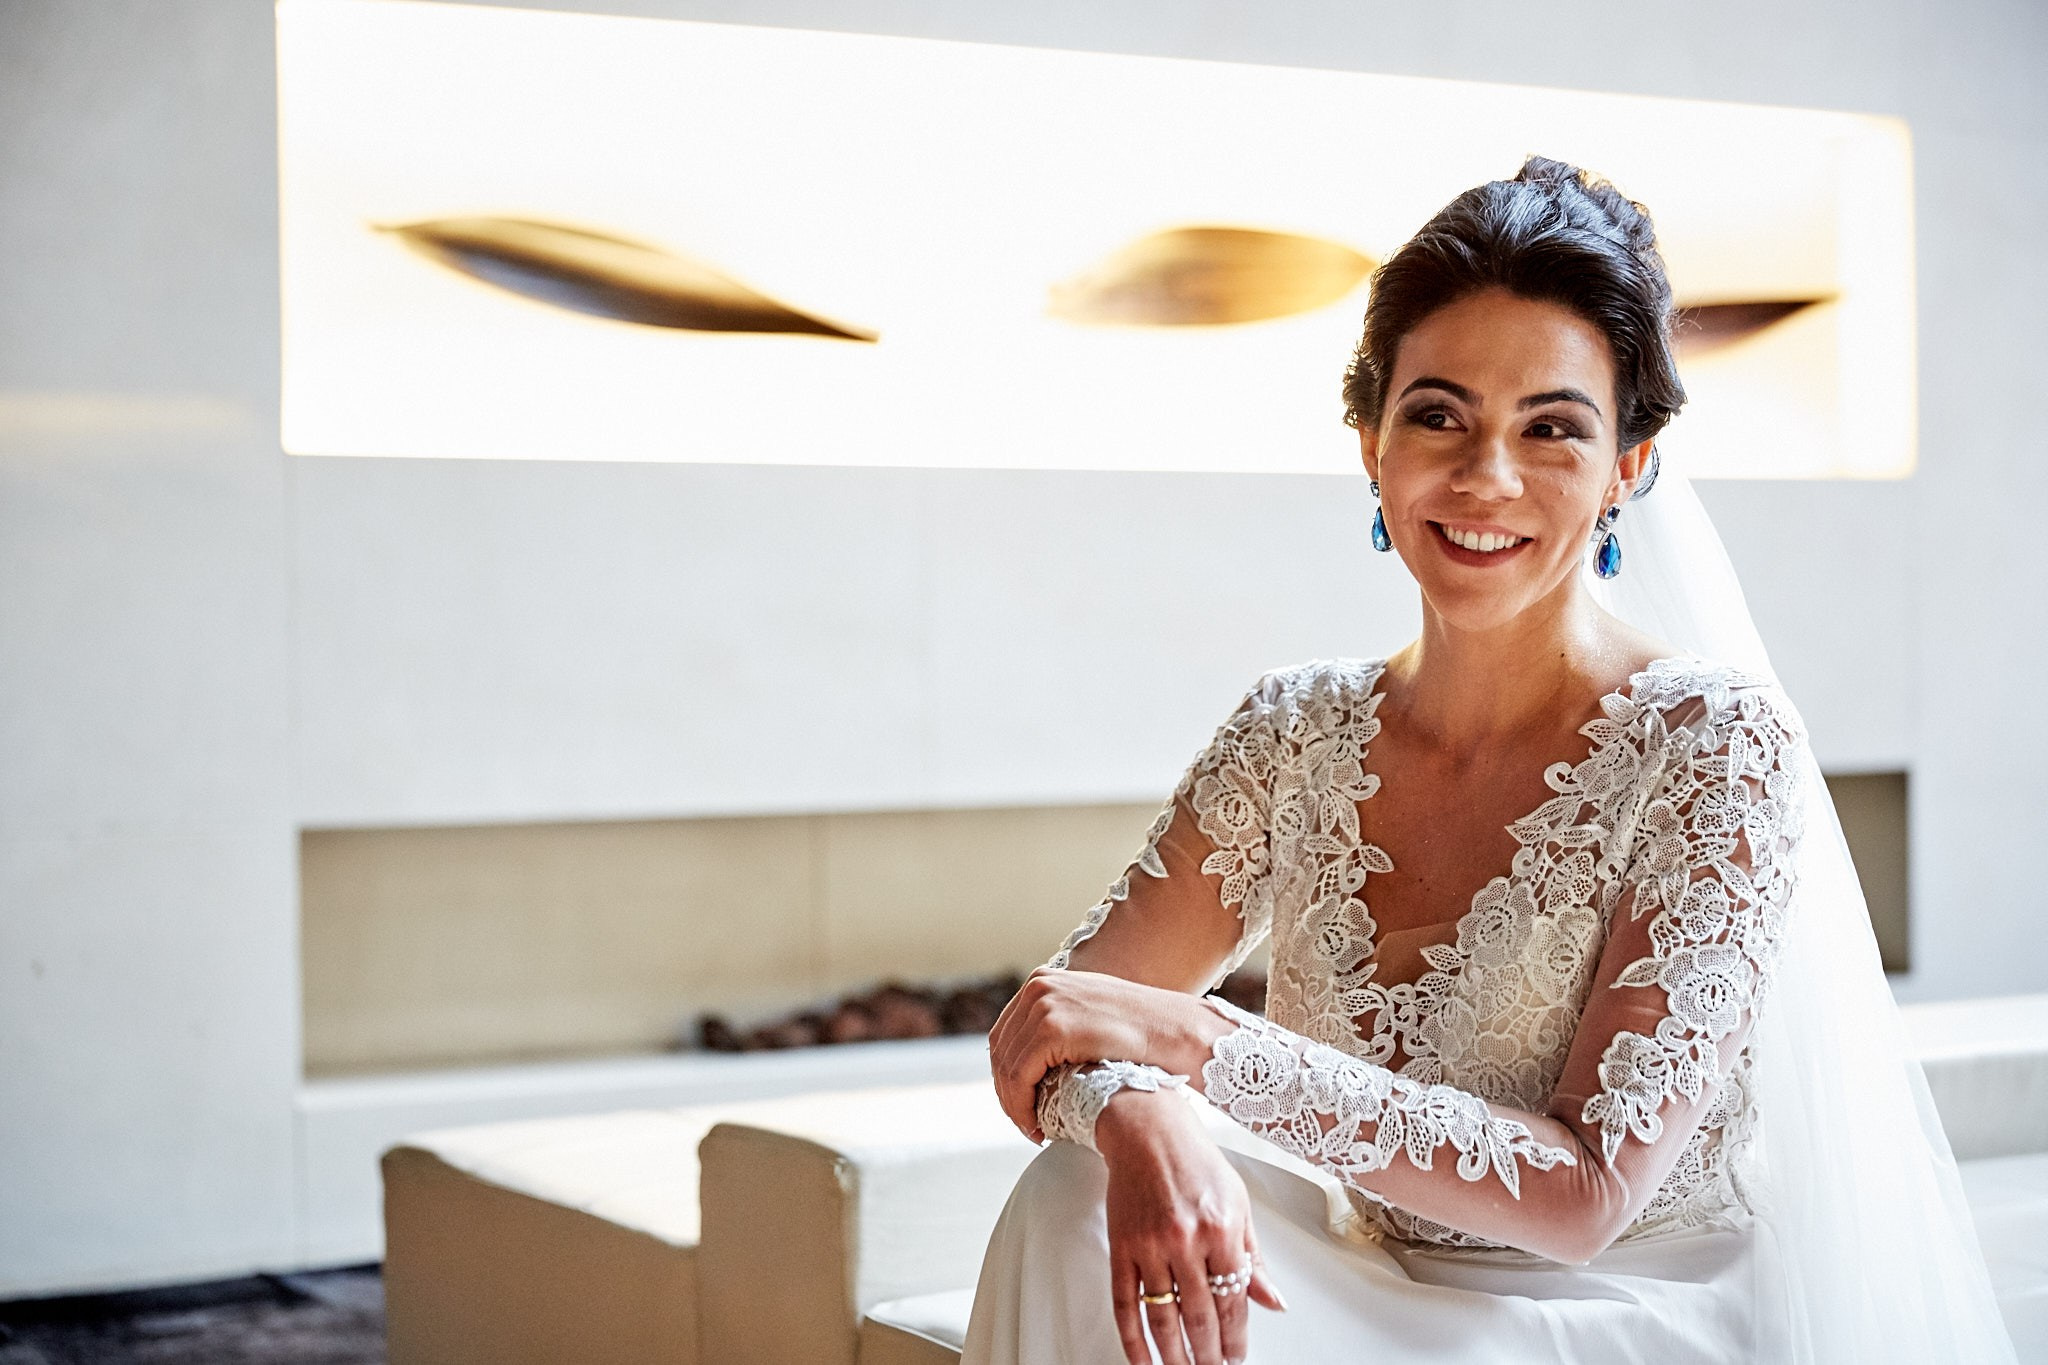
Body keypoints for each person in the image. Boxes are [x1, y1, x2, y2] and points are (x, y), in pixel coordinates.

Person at [964, 157, 2014, 1365]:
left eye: (1551, 428)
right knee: (1068, 1208)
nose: (1485, 477)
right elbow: (1051, 1034)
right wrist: (1143, 1112)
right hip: (1377, 1286)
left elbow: (1585, 1197)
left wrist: (1194, 1047)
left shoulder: (1713, 745)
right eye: (1437, 415)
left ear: (1627, 465)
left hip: (1622, 1307)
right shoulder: (1291, 734)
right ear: (1370, 443)